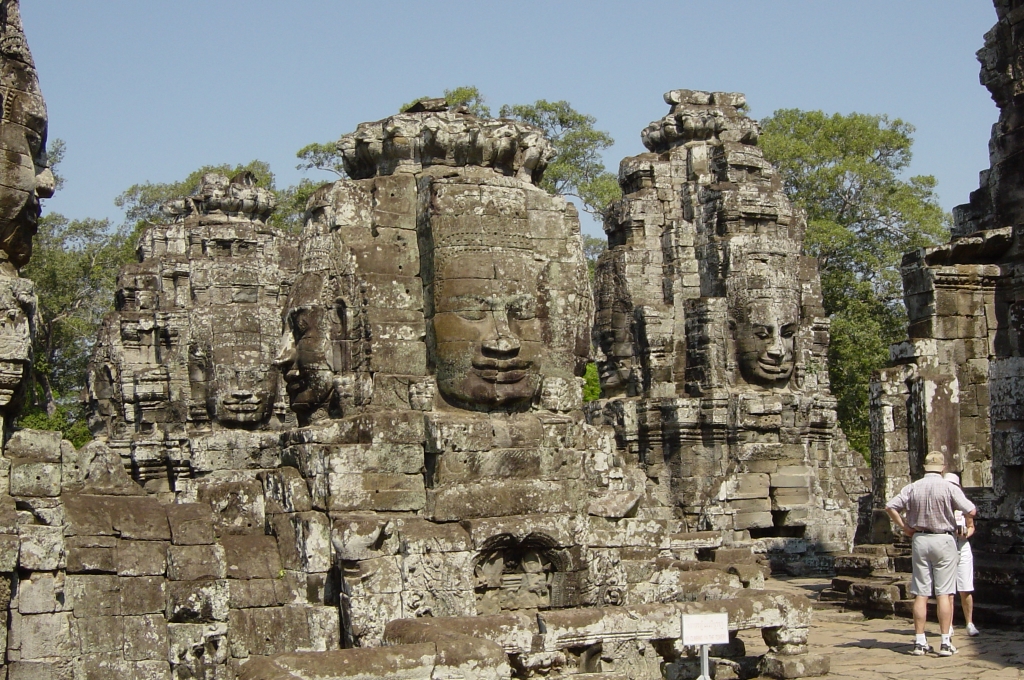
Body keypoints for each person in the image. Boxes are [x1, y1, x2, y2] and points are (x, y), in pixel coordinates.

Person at [886, 451, 977, 657]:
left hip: (920, 538)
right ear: (943, 468)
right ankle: (945, 642)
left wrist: (906, 527)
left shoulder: (914, 487)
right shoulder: (948, 487)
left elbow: (890, 506)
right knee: (944, 593)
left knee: (921, 593)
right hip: (944, 538)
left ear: (925, 468)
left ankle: (919, 641)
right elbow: (971, 510)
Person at [943, 472, 980, 637]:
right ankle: (948, 624)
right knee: (949, 590)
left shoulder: (964, 506)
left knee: (965, 588)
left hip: (962, 546)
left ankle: (969, 623)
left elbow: (971, 526)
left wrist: (966, 533)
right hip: (946, 546)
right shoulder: (941, 506)